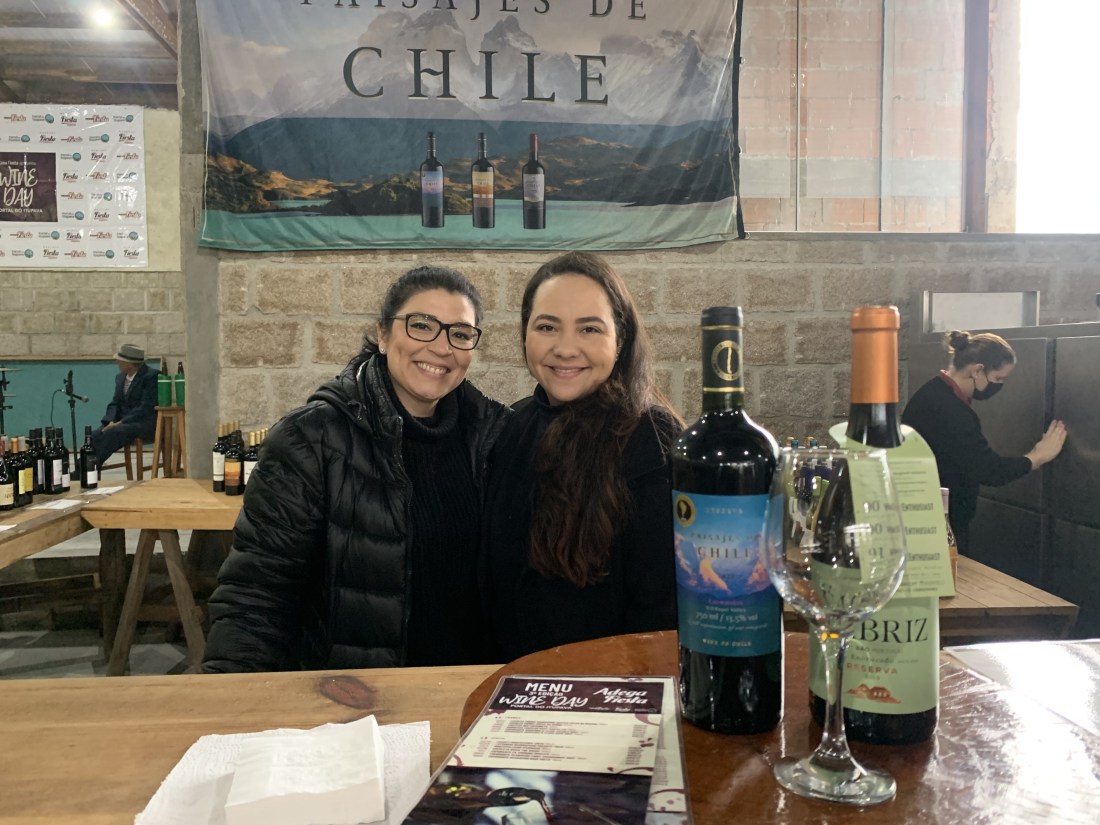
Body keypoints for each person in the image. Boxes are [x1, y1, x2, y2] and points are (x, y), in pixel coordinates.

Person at [202, 265, 511, 672]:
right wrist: (230, 693)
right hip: (357, 694)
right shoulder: (310, 439)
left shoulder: (493, 435)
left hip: (470, 686)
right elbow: (256, 595)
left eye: (461, 333)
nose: (441, 347)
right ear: (383, 334)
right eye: (421, 325)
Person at [482, 251, 683, 661]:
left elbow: (660, 610)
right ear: (525, 335)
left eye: (589, 329)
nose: (565, 348)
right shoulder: (514, 426)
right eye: (547, 327)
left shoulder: (650, 438)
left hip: (610, 685)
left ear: (620, 339)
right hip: (515, 681)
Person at [902, 329, 1066, 555]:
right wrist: (1036, 458)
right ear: (977, 370)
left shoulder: (931, 392)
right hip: (938, 525)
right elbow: (988, 470)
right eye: (998, 378)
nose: (999, 385)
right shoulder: (952, 411)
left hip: (921, 517)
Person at [91, 343, 157, 468]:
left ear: (129, 363)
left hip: (141, 423)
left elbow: (145, 407)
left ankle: (90, 467)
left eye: (119, 360)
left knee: (113, 433)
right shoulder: (120, 378)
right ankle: (85, 468)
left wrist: (120, 423)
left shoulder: (151, 376)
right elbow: (115, 403)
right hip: (120, 423)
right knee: (95, 435)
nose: (117, 362)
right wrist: (110, 420)